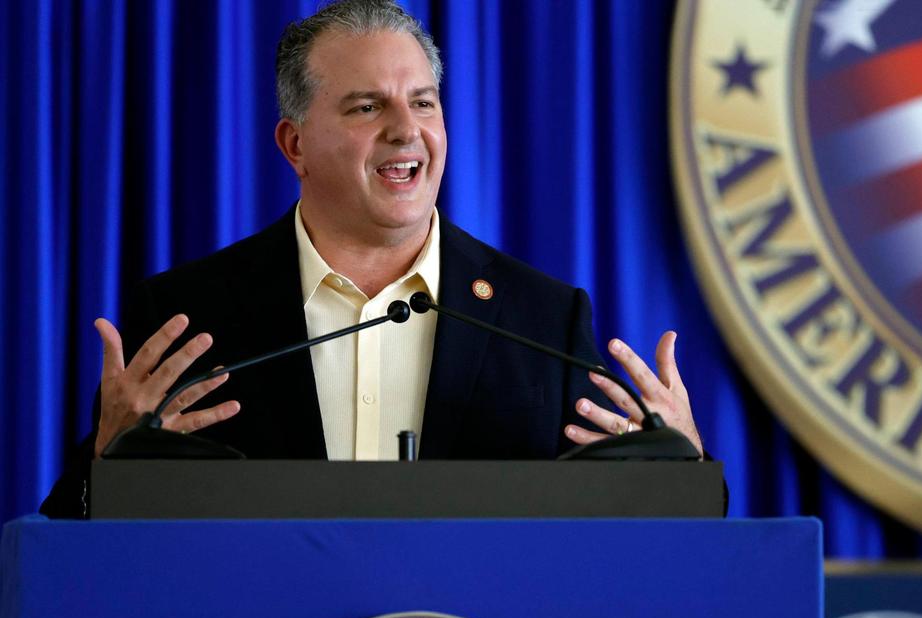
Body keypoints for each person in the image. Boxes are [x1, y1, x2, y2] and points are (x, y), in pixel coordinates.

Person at [40, 0, 703, 518]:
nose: (405, 129)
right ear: (294, 144)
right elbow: (74, 540)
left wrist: (685, 466)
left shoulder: (542, 320)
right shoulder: (191, 316)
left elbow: (635, 535)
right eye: (367, 106)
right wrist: (108, 461)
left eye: (423, 102)